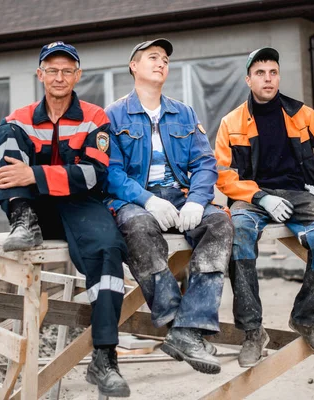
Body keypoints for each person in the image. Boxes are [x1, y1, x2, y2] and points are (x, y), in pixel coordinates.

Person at [0, 42, 130, 397]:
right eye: (52, 70)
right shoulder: (17, 120)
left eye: (67, 70)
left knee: (109, 250)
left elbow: (96, 175)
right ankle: (23, 222)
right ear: (40, 75)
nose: (59, 77)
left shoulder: (95, 117)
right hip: (33, 210)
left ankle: (105, 357)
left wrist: (35, 175)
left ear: (77, 76)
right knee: (2, 135)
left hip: (80, 205)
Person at [104, 38, 234, 375]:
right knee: (137, 226)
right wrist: (147, 199)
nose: (161, 63)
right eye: (152, 58)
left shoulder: (183, 112)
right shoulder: (113, 115)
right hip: (135, 198)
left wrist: (196, 199)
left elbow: (206, 164)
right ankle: (183, 327)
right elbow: (110, 173)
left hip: (179, 195)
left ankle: (186, 330)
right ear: (134, 66)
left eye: (164, 59)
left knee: (220, 223)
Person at [215, 47, 314, 367]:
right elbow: (222, 173)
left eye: (273, 72)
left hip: (299, 193)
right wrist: (260, 197)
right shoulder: (231, 121)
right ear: (248, 80)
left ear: (279, 77)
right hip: (252, 197)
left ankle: (305, 318)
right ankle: (252, 331)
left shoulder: (301, 114)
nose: (268, 78)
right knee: (238, 235)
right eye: (260, 73)